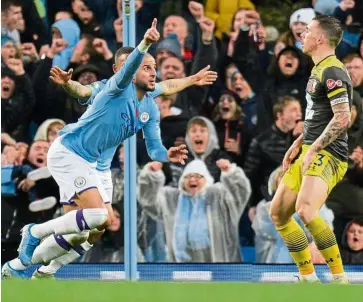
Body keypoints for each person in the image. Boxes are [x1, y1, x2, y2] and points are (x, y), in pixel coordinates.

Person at [2, 19, 218, 279]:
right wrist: (146, 42)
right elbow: (81, 88)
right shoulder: (114, 88)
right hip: (71, 152)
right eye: (145, 67)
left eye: (153, 68)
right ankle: (34, 233)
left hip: (97, 165)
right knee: (95, 215)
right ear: (126, 69)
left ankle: (25, 268)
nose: (153, 73)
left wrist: (167, 152)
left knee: (91, 229)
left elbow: (158, 133)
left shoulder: (149, 106)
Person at [269, 15, 352, 283]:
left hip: (329, 154)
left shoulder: (334, 72)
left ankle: (339, 279)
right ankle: (308, 279)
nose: (303, 34)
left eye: (308, 30)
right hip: (310, 148)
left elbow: (343, 117)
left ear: (320, 39)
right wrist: (297, 145)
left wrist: (313, 148)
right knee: (279, 214)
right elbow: (318, 117)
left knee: (305, 210)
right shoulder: (318, 69)